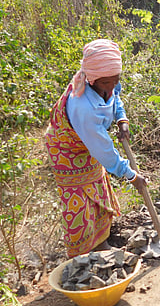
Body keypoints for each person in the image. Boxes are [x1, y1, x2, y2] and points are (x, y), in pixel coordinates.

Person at [45, 39, 146, 258]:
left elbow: (115, 96)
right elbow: (106, 153)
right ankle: (82, 257)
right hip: (66, 150)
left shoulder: (107, 80)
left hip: (87, 142)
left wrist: (122, 119)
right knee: (79, 199)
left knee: (98, 186)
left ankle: (101, 245)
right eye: (104, 84)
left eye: (115, 80)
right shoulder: (82, 106)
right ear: (91, 80)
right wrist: (131, 176)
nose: (110, 86)